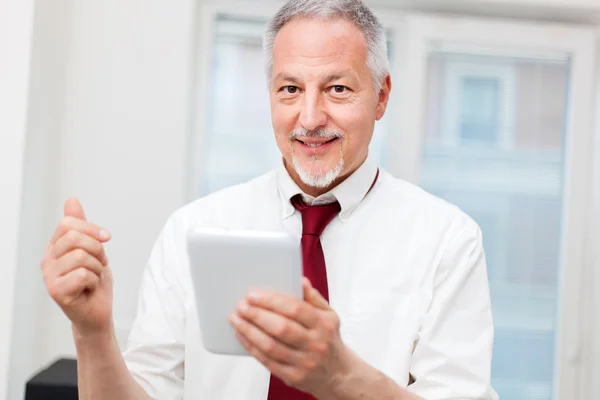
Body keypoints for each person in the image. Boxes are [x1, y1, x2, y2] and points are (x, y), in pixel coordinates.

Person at [41, 0, 498, 399]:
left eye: (338, 88)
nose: (311, 116)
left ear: (381, 97)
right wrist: (91, 331)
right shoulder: (193, 230)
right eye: (290, 89)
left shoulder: (447, 240)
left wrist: (339, 375)